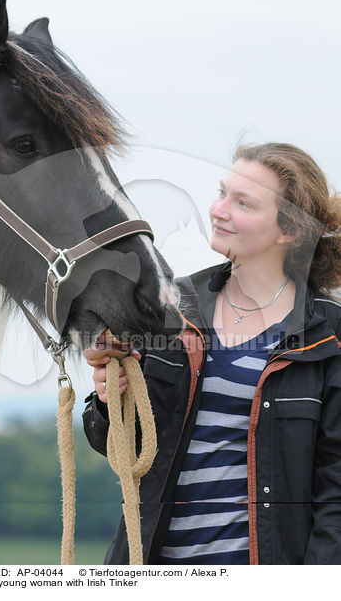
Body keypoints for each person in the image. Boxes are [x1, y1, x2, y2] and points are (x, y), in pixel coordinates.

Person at [82, 142, 341, 565]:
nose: (219, 210)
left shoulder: (329, 333)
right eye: (222, 192)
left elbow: (336, 496)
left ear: (289, 230)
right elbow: (116, 444)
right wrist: (111, 400)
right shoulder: (166, 305)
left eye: (243, 203)